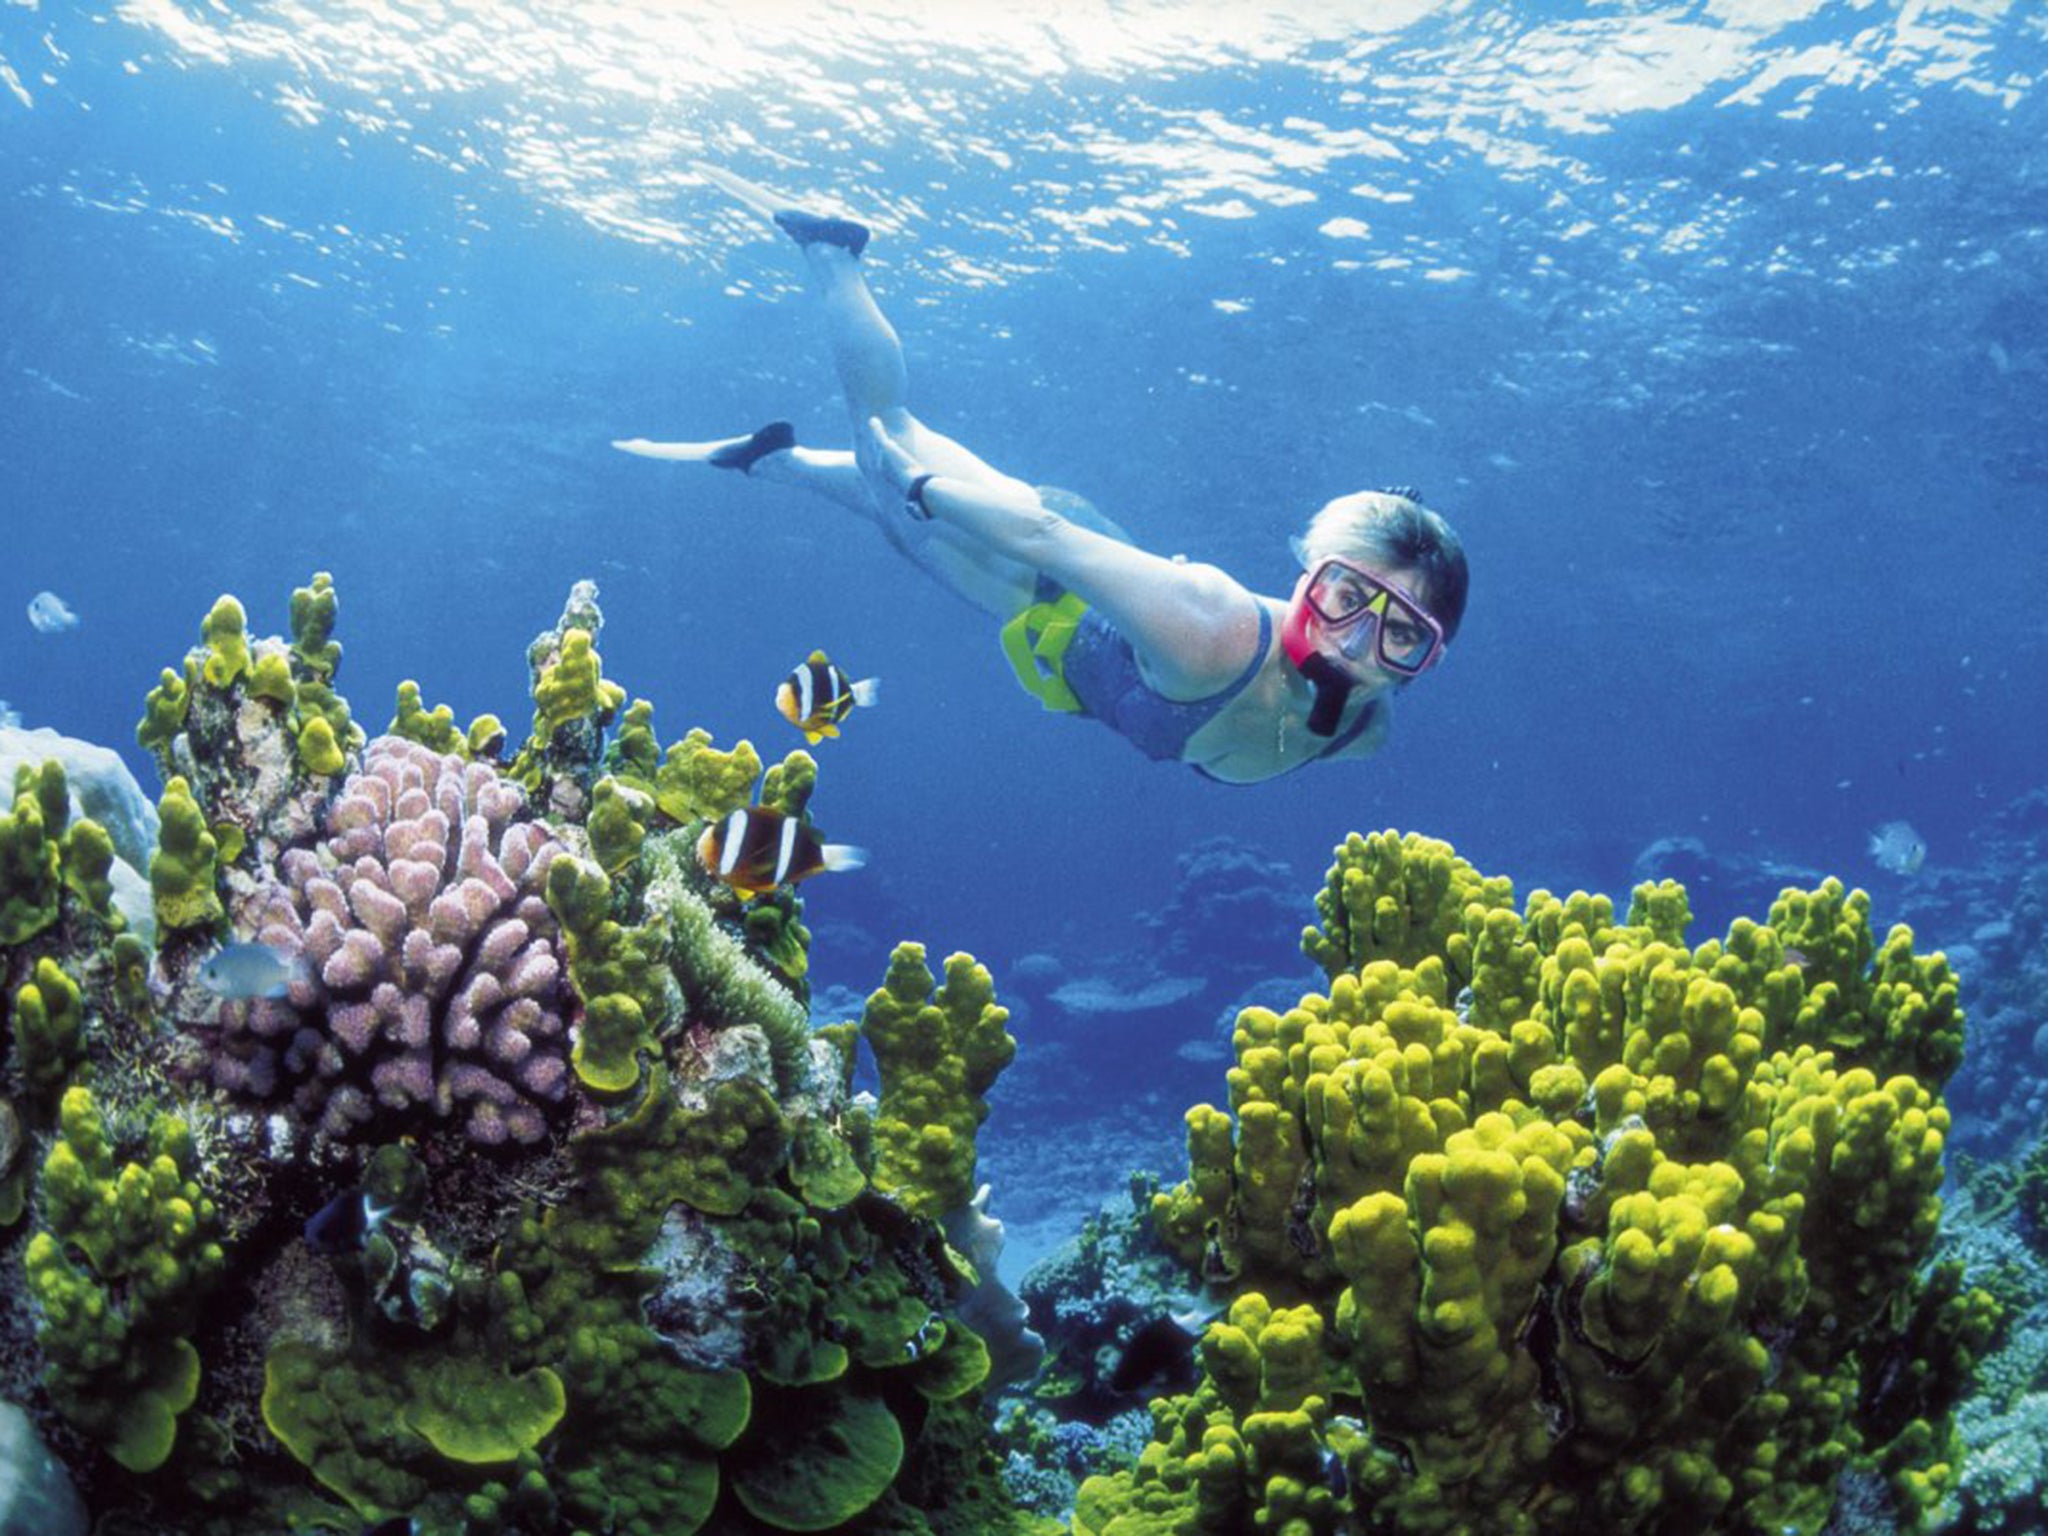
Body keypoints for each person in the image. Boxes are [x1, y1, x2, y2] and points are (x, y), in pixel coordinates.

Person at [615, 166, 1468, 786]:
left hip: (1057, 601)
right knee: (892, 439)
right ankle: (833, 256)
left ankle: (773, 459)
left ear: (1428, 660)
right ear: (1308, 574)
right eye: (1347, 597)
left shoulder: (1365, 727)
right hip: (1033, 569)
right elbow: (1051, 540)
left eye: (1402, 635)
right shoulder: (1210, 629)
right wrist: (920, 488)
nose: (1355, 644)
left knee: (895, 521)